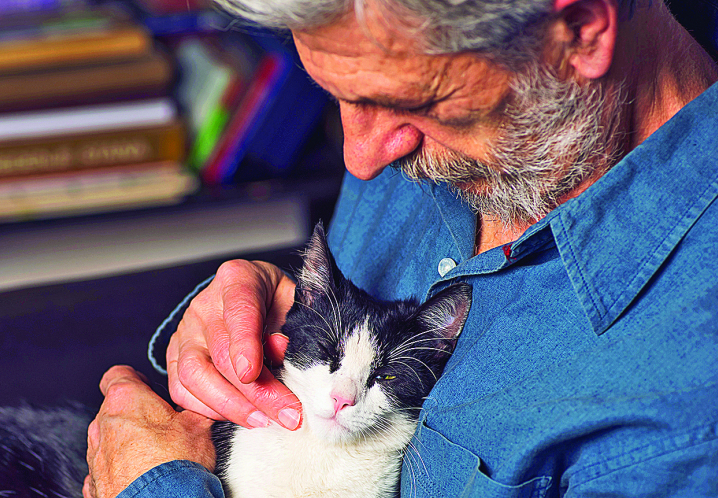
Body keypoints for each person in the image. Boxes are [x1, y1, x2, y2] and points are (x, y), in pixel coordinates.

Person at [84, 0, 718, 496]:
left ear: (580, 30)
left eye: (408, 103)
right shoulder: (420, 96)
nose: (359, 162)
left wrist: (156, 489)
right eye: (338, 97)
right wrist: (251, 325)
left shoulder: (690, 412)